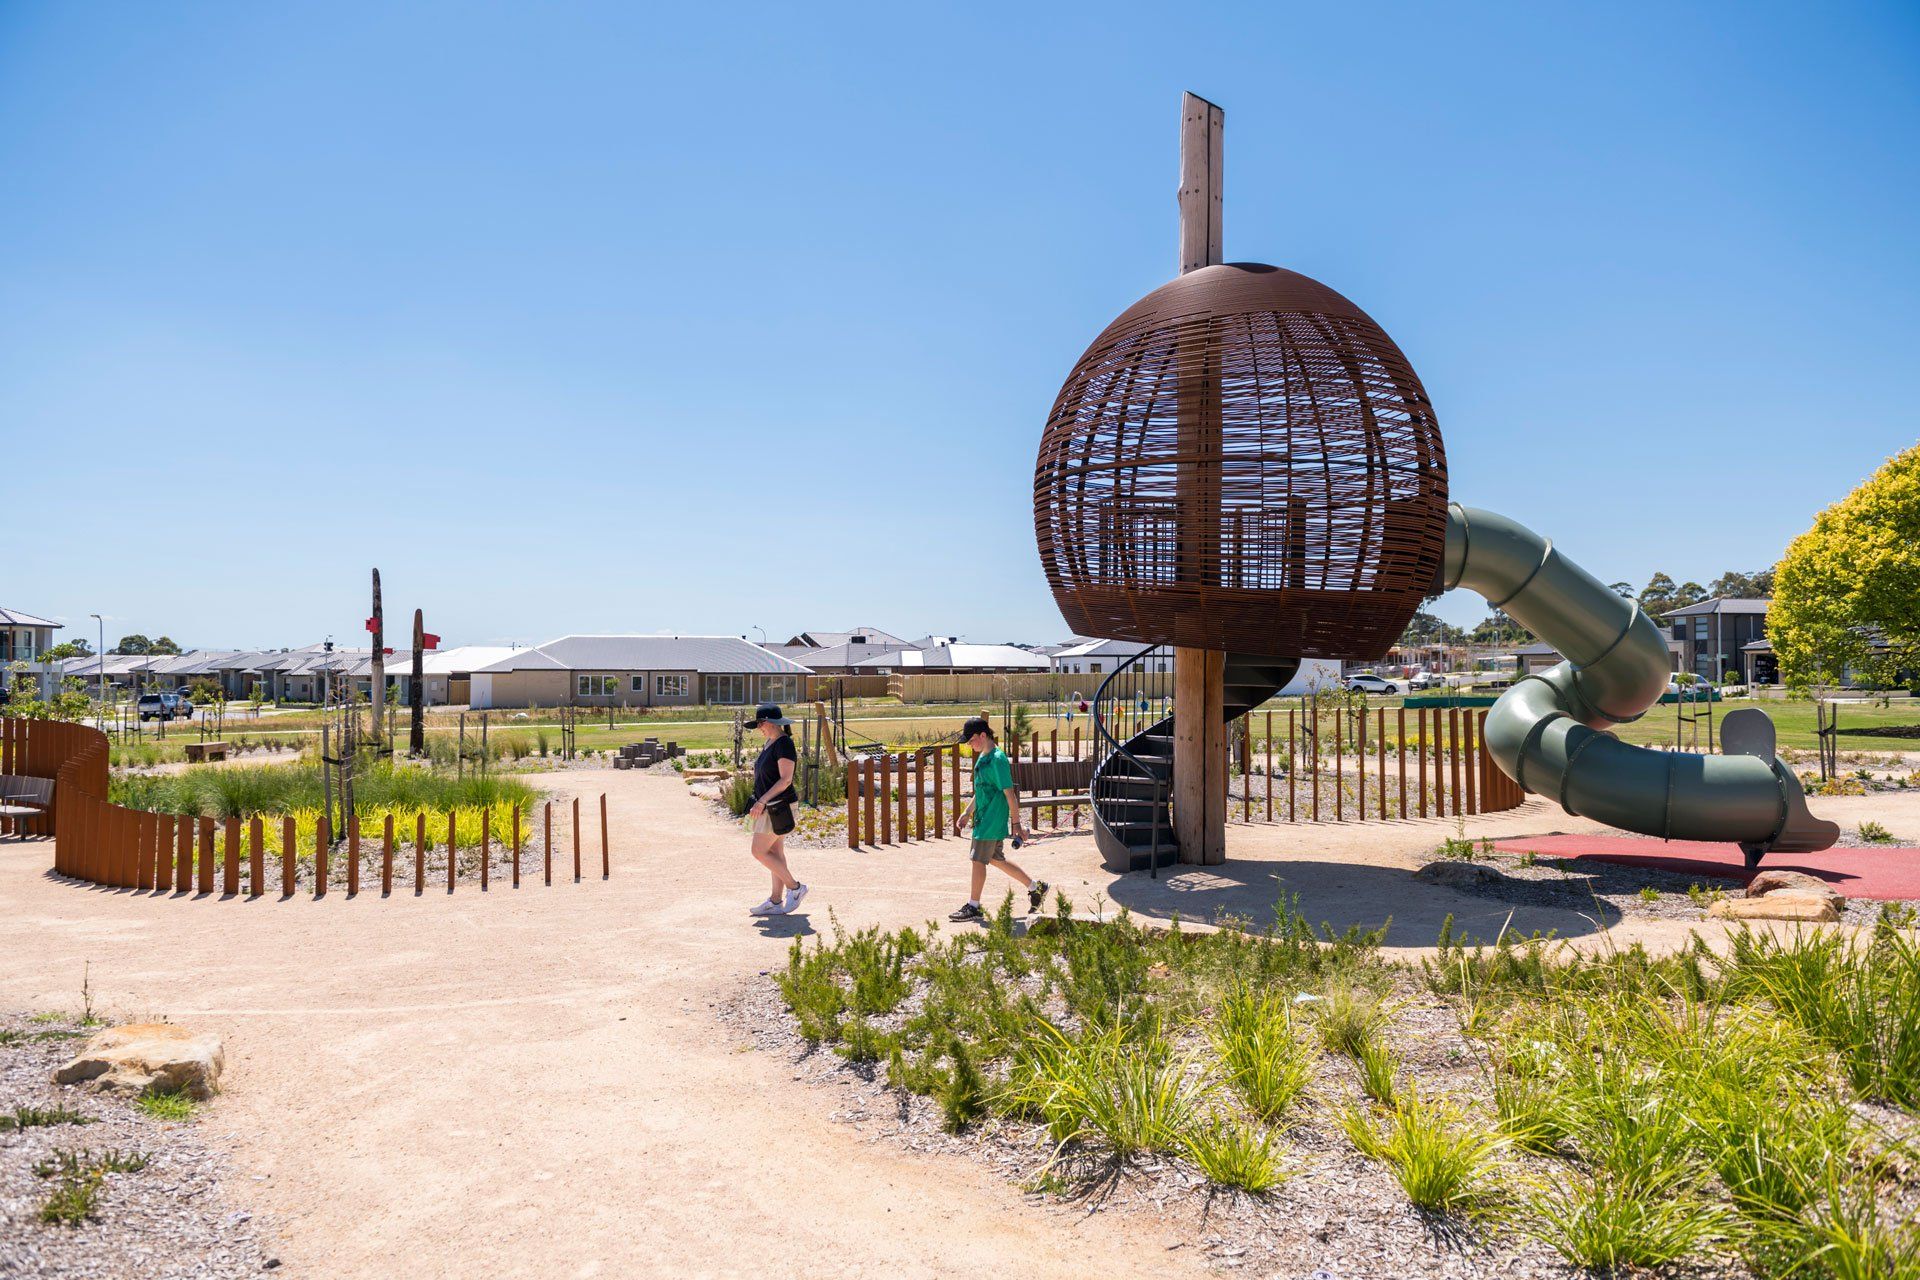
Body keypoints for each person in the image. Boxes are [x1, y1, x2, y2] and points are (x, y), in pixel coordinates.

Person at [948, 716, 1047, 923]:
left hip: (991, 819)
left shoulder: (997, 759)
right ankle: (1036, 888)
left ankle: (973, 906)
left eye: (971, 740)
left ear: (983, 735)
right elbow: (982, 790)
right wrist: (967, 812)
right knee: (994, 859)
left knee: (978, 859)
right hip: (984, 817)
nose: (969, 744)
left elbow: (1010, 794)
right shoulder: (984, 756)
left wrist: (1016, 824)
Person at [743, 704, 807, 917]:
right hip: (769, 806)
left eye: (760, 724)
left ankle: (795, 888)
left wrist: (762, 801)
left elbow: (786, 779)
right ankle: (776, 901)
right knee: (776, 853)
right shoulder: (771, 742)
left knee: (758, 851)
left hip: (778, 807)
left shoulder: (784, 743)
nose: (759, 728)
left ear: (769, 722)